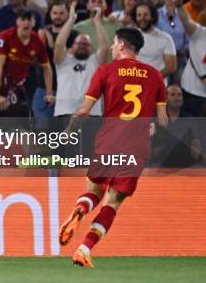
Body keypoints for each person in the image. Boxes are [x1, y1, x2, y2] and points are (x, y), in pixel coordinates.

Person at [58, 27, 168, 267]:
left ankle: (80, 209)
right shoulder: (155, 75)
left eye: (113, 43)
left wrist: (68, 132)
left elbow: (85, 111)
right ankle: (84, 249)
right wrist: (153, 130)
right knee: (113, 202)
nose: (110, 47)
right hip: (136, 147)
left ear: (121, 45)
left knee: (94, 190)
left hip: (108, 141)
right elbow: (162, 121)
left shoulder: (105, 71)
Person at [53, 2, 108, 119]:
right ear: (72, 47)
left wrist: (97, 21)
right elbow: (58, 44)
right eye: (79, 43)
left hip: (91, 114)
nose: (82, 45)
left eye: (86, 43)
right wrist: (71, 19)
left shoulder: (95, 61)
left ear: (92, 48)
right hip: (65, 113)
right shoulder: (63, 61)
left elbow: (105, 47)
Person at [130, 2, 177, 80]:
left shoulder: (165, 38)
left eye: (145, 15)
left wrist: (151, 79)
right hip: (133, 85)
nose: (142, 18)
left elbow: (171, 67)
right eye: (139, 15)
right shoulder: (130, 36)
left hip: (157, 85)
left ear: (152, 17)